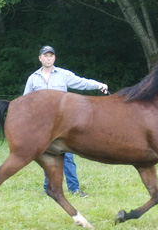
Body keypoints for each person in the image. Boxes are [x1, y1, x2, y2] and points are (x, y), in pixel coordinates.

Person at [23, 45, 109, 197]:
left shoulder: (63, 75)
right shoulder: (33, 78)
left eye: (51, 56)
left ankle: (74, 189)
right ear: (40, 58)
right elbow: (25, 101)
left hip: (62, 123)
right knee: (46, 155)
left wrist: (99, 85)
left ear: (54, 58)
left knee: (68, 156)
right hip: (43, 124)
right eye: (45, 56)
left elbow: (82, 82)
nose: (48, 58)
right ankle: (48, 188)